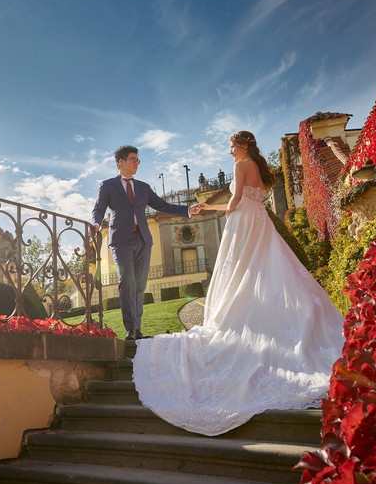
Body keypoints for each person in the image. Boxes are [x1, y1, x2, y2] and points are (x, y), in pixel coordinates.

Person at [132, 131, 345, 436]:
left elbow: (234, 202)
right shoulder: (258, 165)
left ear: (242, 145)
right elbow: (248, 199)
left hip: (243, 223)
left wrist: (210, 208)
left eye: (232, 146)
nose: (230, 151)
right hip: (259, 221)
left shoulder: (241, 164)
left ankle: (245, 316)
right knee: (268, 270)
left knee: (242, 272)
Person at [91, 146, 195, 340]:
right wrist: (96, 223)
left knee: (140, 284)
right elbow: (99, 208)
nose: (136, 163)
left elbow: (163, 206)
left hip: (143, 240)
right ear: (121, 162)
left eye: (138, 160)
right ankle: (130, 329)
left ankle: (137, 331)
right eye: (133, 159)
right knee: (127, 281)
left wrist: (188, 210)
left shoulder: (143, 187)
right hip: (121, 240)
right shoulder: (108, 185)